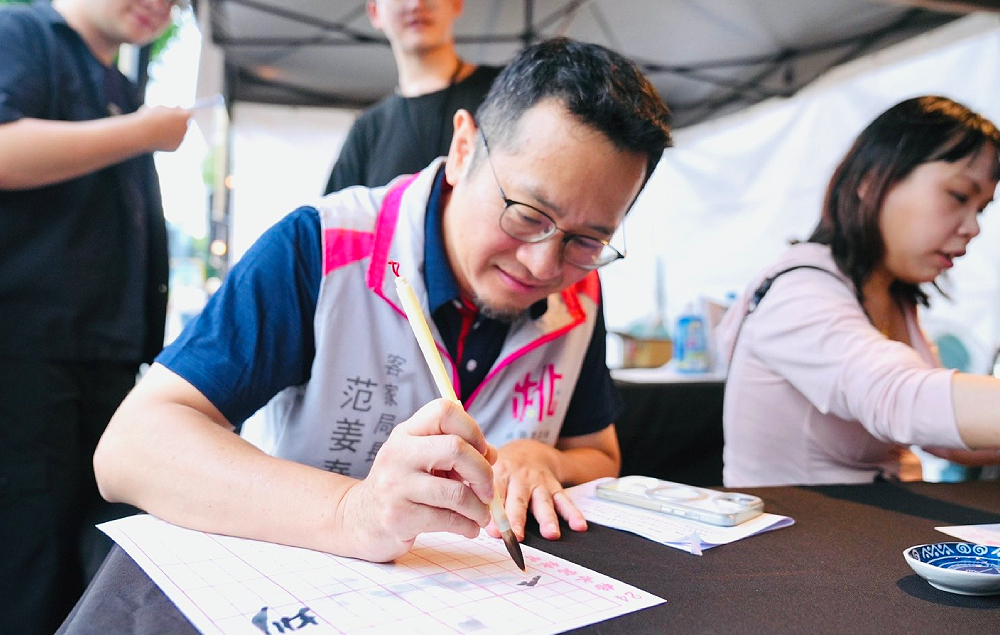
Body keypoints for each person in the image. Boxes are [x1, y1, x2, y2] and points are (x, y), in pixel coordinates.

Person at [94, 37, 672, 565]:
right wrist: (353, 512)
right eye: (527, 214)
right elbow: (131, 448)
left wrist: (543, 458)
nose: (543, 265)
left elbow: (599, 454)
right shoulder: (323, 248)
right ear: (464, 147)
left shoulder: (578, 290)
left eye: (588, 240)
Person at [0, 0, 198, 631]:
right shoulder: (22, 33)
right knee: (28, 562)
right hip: (25, 358)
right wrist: (140, 131)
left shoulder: (120, 84)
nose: (158, 3)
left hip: (106, 365)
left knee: (92, 558)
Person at [717, 96, 1000, 488]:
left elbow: (940, 434)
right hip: (796, 524)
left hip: (877, 514)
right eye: (958, 196)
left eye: (981, 209)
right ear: (871, 180)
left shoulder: (894, 296)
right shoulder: (798, 291)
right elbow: (899, 397)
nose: (973, 228)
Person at [323, 0, 502, 194]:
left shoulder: (505, 91)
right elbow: (333, 212)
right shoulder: (367, 130)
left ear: (456, 1)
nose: (416, 3)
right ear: (374, 11)